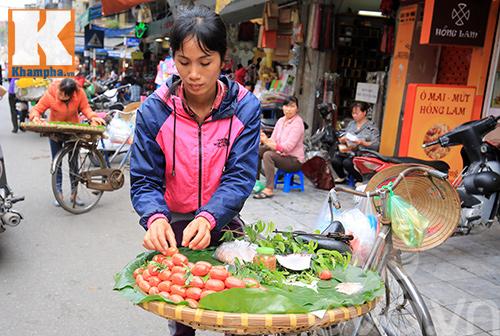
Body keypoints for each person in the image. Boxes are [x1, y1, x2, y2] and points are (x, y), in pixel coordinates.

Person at [129, 6, 260, 336]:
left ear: (223, 58)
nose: (194, 74)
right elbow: (145, 180)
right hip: (175, 226)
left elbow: (240, 176)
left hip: (224, 220)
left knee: (238, 314)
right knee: (183, 316)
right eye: (184, 62)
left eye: (205, 62)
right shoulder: (154, 111)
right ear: (173, 58)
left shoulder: (245, 107)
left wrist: (210, 216)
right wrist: (155, 217)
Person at [29, 78, 105, 206]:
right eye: (60, 93)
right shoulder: (51, 93)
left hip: (73, 131)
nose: (60, 96)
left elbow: (86, 108)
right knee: (56, 163)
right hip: (55, 132)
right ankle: (58, 193)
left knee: (73, 164)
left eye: (64, 95)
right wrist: (35, 117)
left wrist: (93, 117)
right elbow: (37, 109)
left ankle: (74, 194)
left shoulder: (79, 94)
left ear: (71, 94)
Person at [255, 96, 305, 199]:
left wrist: (267, 142)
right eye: (286, 106)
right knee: (258, 150)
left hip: (294, 160)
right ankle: (255, 182)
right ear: (282, 107)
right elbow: (273, 140)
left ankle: (269, 189)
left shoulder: (298, 123)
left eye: (292, 106)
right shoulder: (281, 121)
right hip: (281, 154)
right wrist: (265, 139)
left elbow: (287, 148)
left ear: (297, 108)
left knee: (268, 155)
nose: (289, 109)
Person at [332, 101, 380, 183]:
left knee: (347, 162)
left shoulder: (371, 127)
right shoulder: (351, 124)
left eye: (357, 113)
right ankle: (342, 177)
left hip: (363, 153)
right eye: (353, 113)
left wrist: (361, 142)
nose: (354, 115)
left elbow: (375, 145)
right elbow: (343, 135)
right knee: (335, 160)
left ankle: (359, 179)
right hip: (349, 151)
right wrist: (343, 140)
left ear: (364, 112)